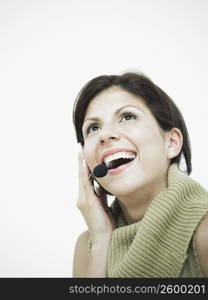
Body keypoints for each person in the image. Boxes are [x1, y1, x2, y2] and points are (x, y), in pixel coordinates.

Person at [72, 72, 208, 278]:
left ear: (171, 143)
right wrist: (100, 242)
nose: (105, 134)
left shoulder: (204, 234)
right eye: (93, 127)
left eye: (127, 117)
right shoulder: (87, 247)